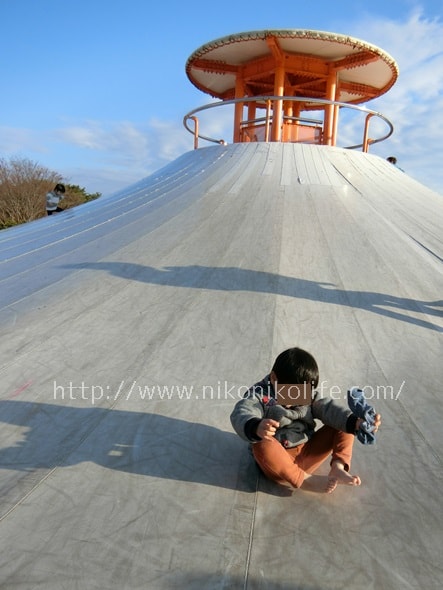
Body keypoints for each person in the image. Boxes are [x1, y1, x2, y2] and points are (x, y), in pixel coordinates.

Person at [230, 347, 381, 493]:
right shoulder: (260, 395)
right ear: (274, 378)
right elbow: (241, 412)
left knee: (341, 423)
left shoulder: (306, 394)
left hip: (308, 451)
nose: (297, 398)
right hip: (280, 464)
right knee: (262, 444)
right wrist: (256, 426)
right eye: (292, 392)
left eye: (302, 393)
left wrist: (358, 423)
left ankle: (338, 468)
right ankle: (305, 480)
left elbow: (328, 409)